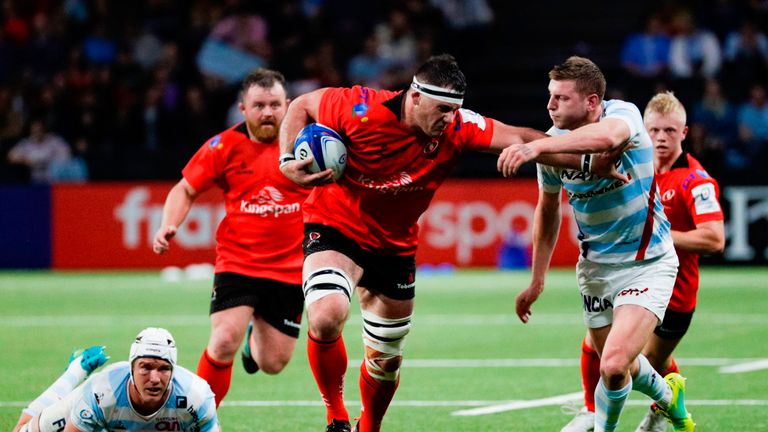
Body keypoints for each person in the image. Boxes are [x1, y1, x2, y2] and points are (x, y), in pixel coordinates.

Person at [278, 53, 613, 432]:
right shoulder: (358, 108)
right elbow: (303, 104)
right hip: (337, 226)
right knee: (326, 316)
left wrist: (589, 161)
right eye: (441, 110)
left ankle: (368, 427)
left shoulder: (458, 127)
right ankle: (337, 417)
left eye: (455, 110)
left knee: (386, 360)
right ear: (416, 97)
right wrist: (286, 158)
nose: (449, 119)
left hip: (396, 246)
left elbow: (521, 137)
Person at [498, 57, 695, 432]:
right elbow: (548, 209)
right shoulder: (552, 145)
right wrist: (537, 279)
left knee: (613, 365)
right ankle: (669, 397)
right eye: (549, 97)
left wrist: (537, 148)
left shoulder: (626, 114)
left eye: (561, 98)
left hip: (647, 261)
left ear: (591, 102)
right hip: (595, 270)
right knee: (620, 366)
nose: (550, 105)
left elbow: (607, 138)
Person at [561, 92, 726, 432]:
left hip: (675, 294)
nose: (662, 137)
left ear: (685, 133)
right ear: (643, 131)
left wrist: (658, 235)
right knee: (599, 345)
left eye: (670, 130)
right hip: (629, 277)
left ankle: (661, 410)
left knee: (644, 361)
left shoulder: (696, 181)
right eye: (654, 130)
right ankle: (593, 411)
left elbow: (714, 238)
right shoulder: (637, 168)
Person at [153, 68, 310, 407]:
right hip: (238, 263)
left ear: (288, 105)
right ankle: (197, 419)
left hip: (291, 268)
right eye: (258, 105)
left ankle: (255, 335)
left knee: (273, 363)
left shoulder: (307, 145)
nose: (267, 112)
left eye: (274, 104)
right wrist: (170, 224)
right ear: (242, 108)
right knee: (224, 340)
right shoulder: (222, 146)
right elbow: (185, 189)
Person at [13, 327, 220, 432]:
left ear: (173, 371)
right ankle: (76, 370)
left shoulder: (197, 396)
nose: (155, 378)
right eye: (145, 367)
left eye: (164, 369)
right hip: (100, 413)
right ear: (131, 368)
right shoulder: (102, 391)